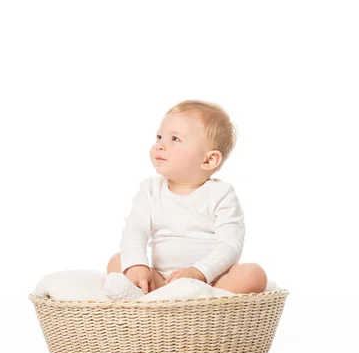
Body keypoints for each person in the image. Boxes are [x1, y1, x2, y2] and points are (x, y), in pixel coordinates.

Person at [105, 100, 267, 299]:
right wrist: (138, 265)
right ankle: (156, 295)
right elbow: (134, 230)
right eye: (159, 136)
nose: (160, 145)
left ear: (208, 160)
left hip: (210, 281)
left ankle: (189, 298)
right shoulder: (150, 189)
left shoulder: (221, 193)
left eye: (175, 139)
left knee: (253, 275)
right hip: (160, 280)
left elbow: (230, 244)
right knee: (118, 262)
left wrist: (198, 272)